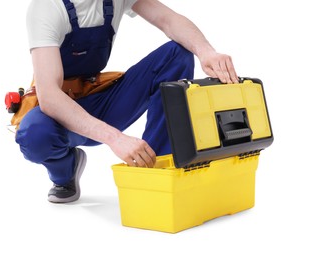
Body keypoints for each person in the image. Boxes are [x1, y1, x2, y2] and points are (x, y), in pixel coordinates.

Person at [16, 0, 239, 203]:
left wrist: (206, 52)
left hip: (101, 101)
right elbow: (50, 98)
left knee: (178, 54)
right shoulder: (47, 7)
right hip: (60, 113)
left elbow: (169, 20)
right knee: (34, 135)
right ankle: (65, 172)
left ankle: (157, 167)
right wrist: (116, 139)